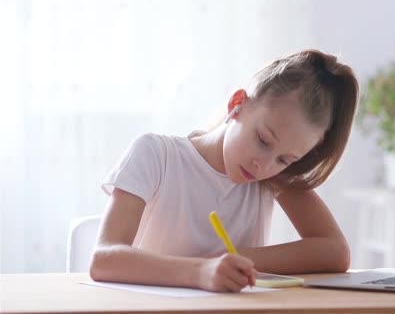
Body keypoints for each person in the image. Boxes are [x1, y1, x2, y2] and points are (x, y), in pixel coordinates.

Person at [89, 49, 359, 292]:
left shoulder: (271, 178)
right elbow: (104, 259)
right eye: (263, 140)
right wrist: (201, 271)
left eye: (285, 160)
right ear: (237, 103)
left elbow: (334, 251)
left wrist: (238, 259)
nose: (263, 166)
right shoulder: (156, 155)